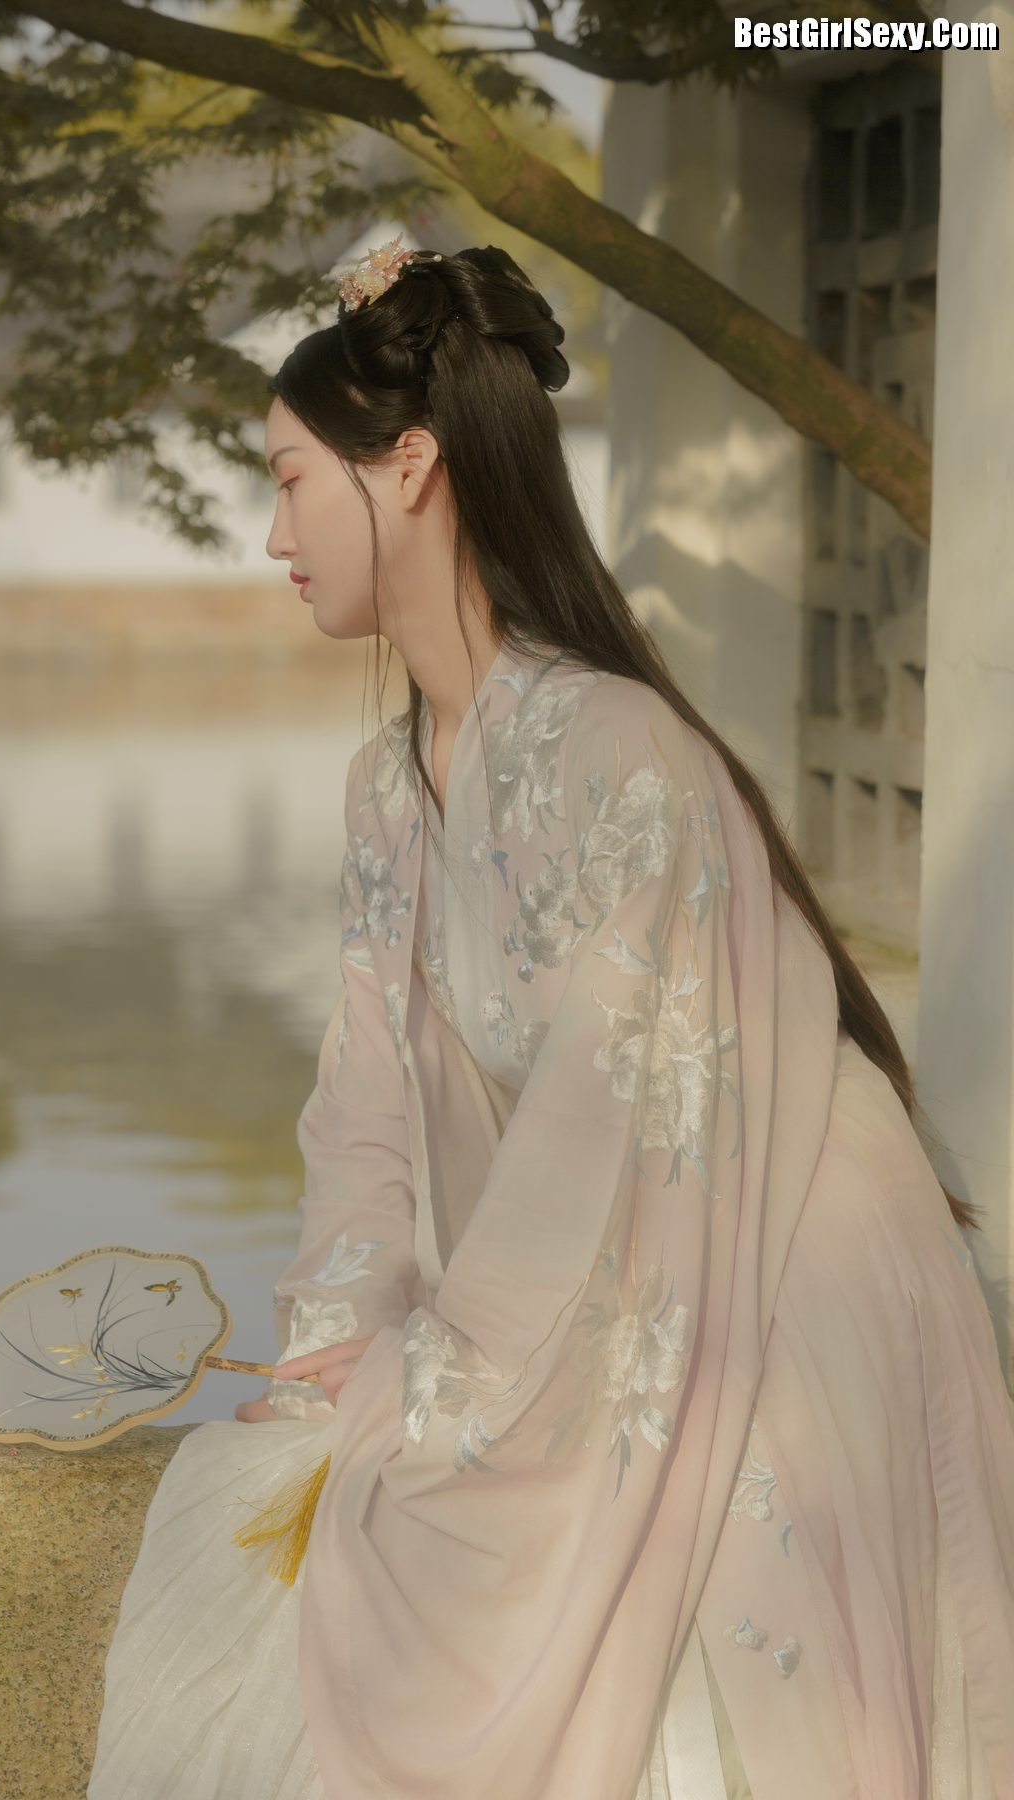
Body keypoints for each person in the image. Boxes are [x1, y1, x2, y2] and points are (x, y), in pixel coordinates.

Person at [87, 237, 1014, 1800]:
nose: (273, 534)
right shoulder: (392, 787)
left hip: (773, 1251)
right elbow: (367, 1101)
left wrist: (441, 1379)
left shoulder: (617, 751)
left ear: (410, 466)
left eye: (292, 481)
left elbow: (606, 1121)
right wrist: (336, 1343)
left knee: (607, 1608)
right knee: (298, 1500)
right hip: (618, 1238)